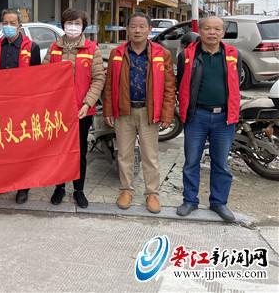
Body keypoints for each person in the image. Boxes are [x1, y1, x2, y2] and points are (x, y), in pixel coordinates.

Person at [102, 12, 175, 213]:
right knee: (124, 154)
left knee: (150, 155)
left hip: (148, 112)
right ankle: (126, 190)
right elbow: (109, 84)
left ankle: (152, 194)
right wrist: (108, 109)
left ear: (150, 30)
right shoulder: (117, 53)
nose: (137, 30)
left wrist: (167, 113)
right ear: (127, 29)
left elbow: (169, 86)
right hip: (124, 111)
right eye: (133, 26)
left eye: (142, 26)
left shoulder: (162, 53)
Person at [176, 16, 241, 222]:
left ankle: (219, 202)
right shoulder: (187, 55)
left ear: (223, 32)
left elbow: (236, 83)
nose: (212, 33)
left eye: (217, 29)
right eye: (207, 28)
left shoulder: (233, 54)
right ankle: (190, 200)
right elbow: (180, 83)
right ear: (200, 31)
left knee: (221, 163)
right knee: (191, 161)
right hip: (197, 116)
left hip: (224, 118)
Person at [44, 8, 105, 208]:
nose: (72, 27)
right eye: (69, 23)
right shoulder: (54, 48)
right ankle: (59, 187)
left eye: (77, 23)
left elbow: (98, 79)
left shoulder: (92, 49)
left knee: (79, 152)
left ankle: (79, 190)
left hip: (81, 110)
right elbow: (43, 76)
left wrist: (87, 103)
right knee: (58, 151)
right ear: (63, 25)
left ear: (83, 26)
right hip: (58, 111)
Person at [0, 8, 41, 204]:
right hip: (1, 105)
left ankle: (23, 187)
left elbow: (37, 79)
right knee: (3, 145)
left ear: (20, 25)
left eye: (13, 23)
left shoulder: (32, 47)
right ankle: (5, 182)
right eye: (5, 23)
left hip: (23, 106)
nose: (9, 26)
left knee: (22, 147)